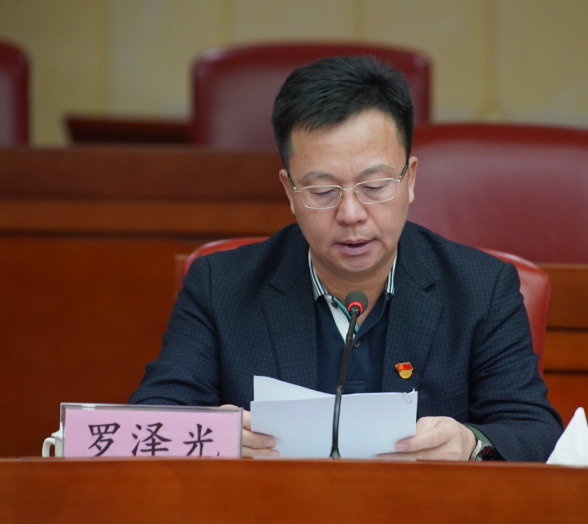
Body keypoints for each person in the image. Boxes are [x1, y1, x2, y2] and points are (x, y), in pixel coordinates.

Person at [130, 56, 562, 461]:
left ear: (410, 179)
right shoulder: (219, 286)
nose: (351, 214)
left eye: (374, 187)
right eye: (322, 191)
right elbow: (149, 419)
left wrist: (472, 443)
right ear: (290, 192)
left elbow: (536, 431)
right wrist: (213, 435)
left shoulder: (481, 289)